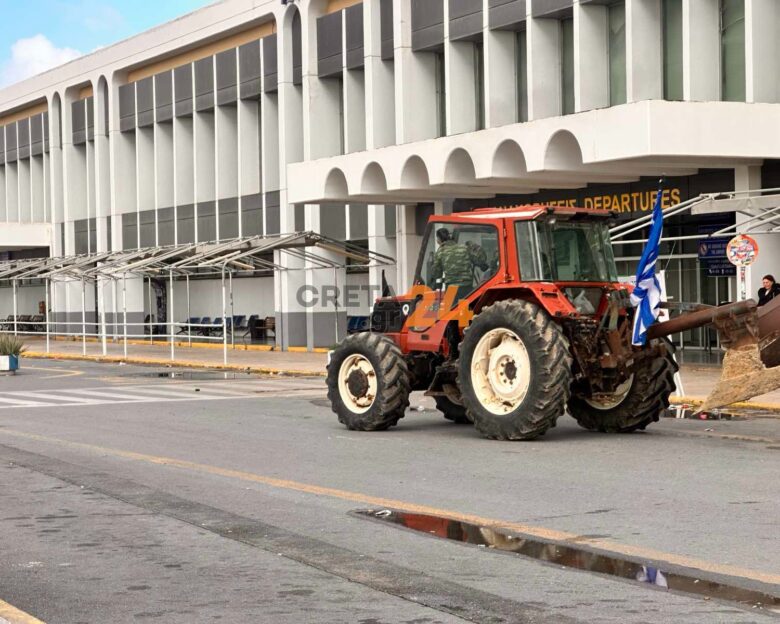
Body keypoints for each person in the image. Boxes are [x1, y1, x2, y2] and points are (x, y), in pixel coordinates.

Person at [430, 228, 488, 302]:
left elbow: (436, 274)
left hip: (451, 289)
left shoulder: (440, 252)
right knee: (466, 308)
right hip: (466, 287)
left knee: (452, 309)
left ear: (438, 239)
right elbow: (479, 261)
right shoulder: (464, 248)